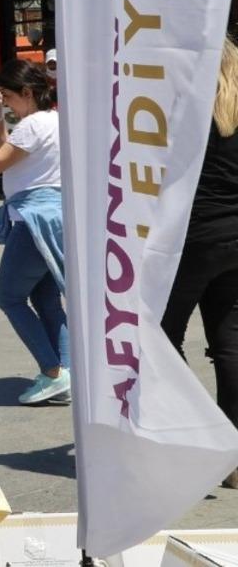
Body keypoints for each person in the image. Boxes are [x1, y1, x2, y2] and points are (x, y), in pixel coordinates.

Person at [161, 35, 238, 488]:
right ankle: (232, 459)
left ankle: (194, 438)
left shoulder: (183, 109)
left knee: (158, 337)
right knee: (231, 347)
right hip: (234, 238)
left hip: (190, 240)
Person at [0, 58, 68, 405]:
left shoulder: (33, 125)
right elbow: (6, 152)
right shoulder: (54, 121)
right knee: (45, 299)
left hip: (33, 220)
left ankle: (52, 372)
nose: (7, 104)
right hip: (51, 217)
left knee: (9, 297)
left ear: (28, 92)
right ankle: (64, 375)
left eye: (8, 97)